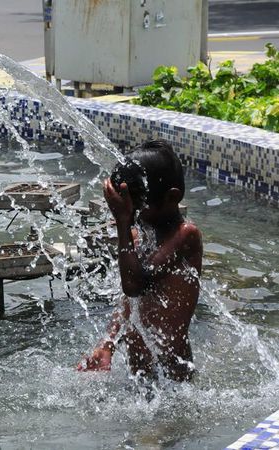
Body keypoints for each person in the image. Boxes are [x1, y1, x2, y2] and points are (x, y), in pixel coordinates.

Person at [78, 140, 203, 381]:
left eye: (137, 209)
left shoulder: (186, 236)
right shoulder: (139, 235)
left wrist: (122, 222)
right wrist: (108, 343)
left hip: (173, 371)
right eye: (129, 210)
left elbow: (135, 285)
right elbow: (128, 302)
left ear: (171, 198)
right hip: (139, 370)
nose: (133, 216)